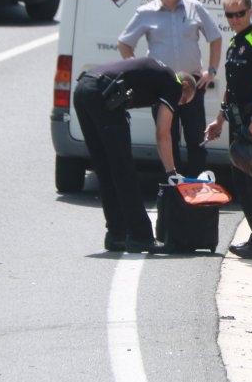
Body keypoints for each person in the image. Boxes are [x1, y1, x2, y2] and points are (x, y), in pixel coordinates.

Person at [73, 57, 197, 253]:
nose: (178, 105)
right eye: (182, 102)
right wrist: (171, 171)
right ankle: (141, 236)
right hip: (104, 93)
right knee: (124, 170)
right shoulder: (174, 84)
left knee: (105, 167)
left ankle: (117, 234)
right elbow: (163, 133)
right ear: (186, 86)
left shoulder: (158, 73)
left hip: (83, 89)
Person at [118, 0, 222, 178]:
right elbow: (124, 43)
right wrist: (138, 72)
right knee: (167, 138)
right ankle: (173, 185)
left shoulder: (195, 8)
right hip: (162, 88)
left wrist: (211, 71)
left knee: (197, 139)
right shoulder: (145, 12)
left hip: (192, 85)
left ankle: (198, 186)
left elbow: (216, 37)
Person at [205, 0, 252, 261]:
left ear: (250, 11)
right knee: (241, 179)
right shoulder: (235, 42)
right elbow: (232, 88)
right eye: (230, 15)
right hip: (236, 119)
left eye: (240, 13)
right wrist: (219, 119)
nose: (235, 19)